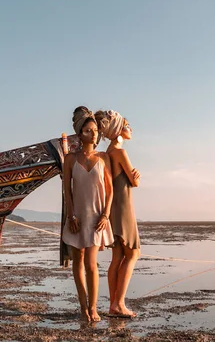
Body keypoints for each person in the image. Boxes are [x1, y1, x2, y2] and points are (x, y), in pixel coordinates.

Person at [62, 106, 114, 322]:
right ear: (79, 134)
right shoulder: (70, 159)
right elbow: (67, 190)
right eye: (87, 131)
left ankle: (94, 308)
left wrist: (106, 215)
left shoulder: (103, 158)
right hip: (76, 218)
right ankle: (83, 308)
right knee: (78, 262)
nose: (93, 134)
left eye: (94, 130)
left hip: (96, 218)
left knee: (91, 264)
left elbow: (110, 190)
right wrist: (71, 216)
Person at [95, 109, 141, 318]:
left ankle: (114, 305)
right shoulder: (120, 153)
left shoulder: (107, 154)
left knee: (118, 256)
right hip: (123, 206)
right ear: (119, 129)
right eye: (127, 125)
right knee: (132, 253)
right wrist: (136, 176)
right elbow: (135, 181)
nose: (130, 129)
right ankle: (119, 304)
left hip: (112, 207)